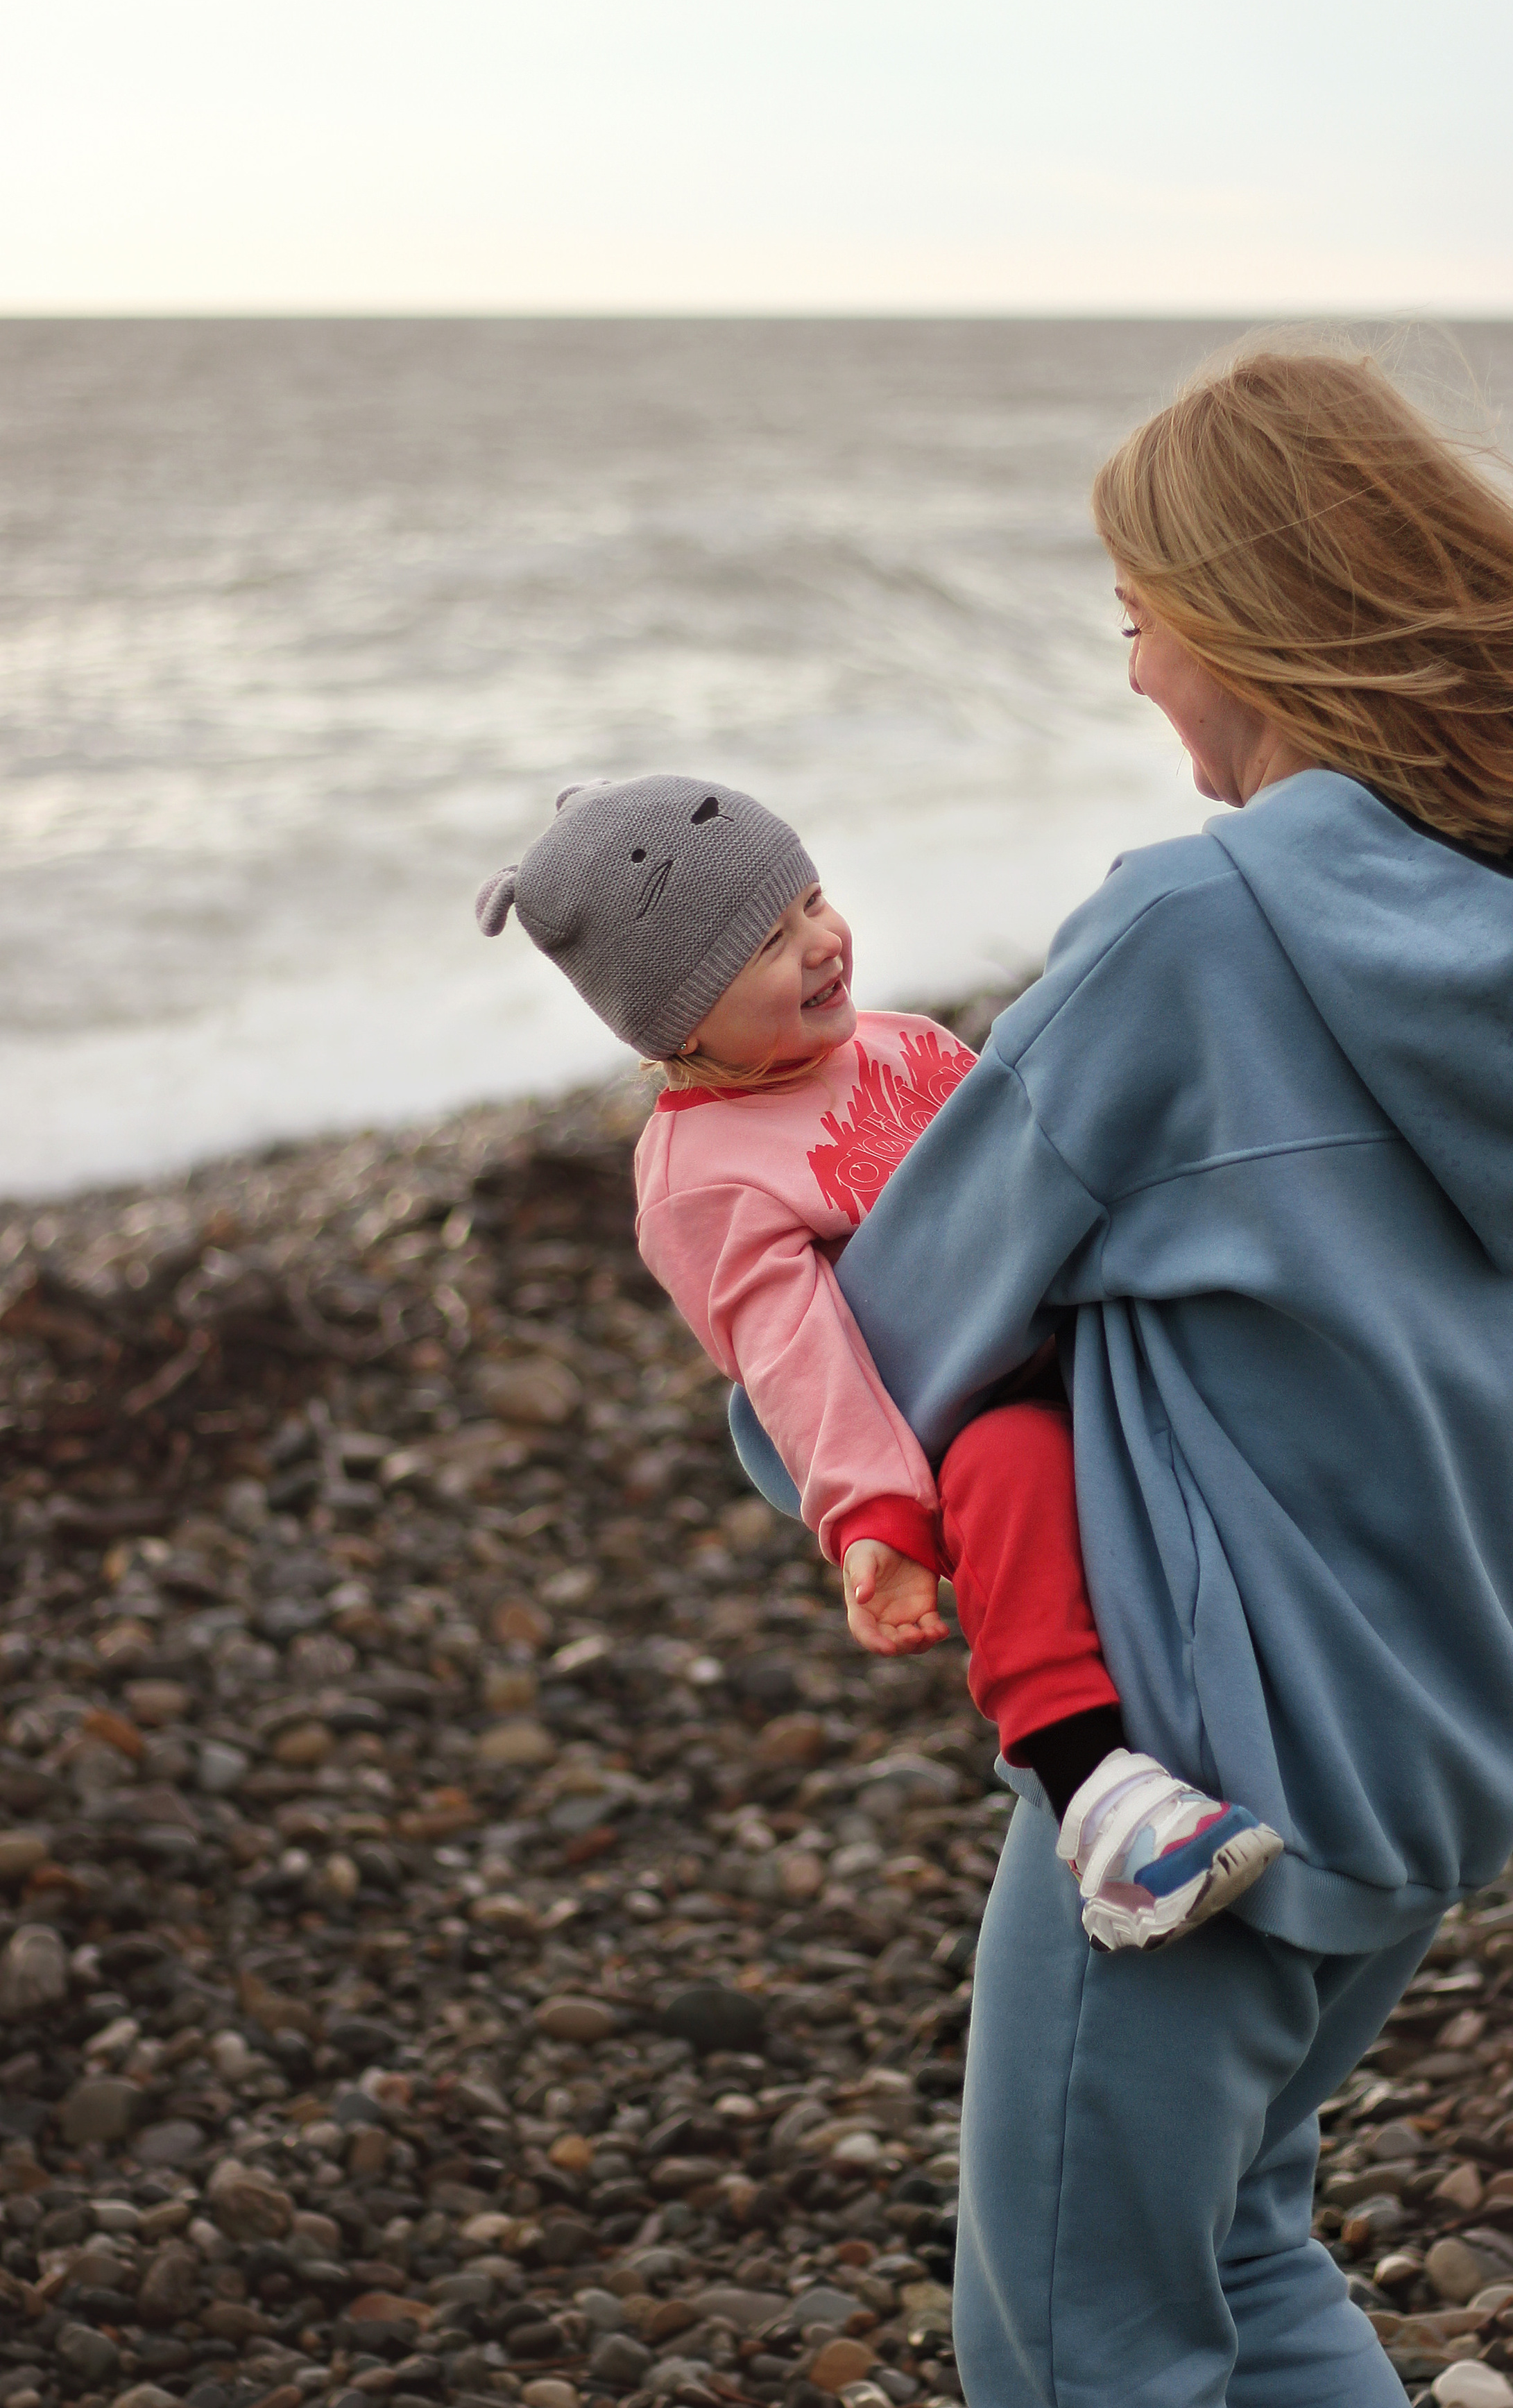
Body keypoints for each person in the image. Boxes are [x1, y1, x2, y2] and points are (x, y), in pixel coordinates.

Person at [771, 341, 1513, 2408]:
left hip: (1196, 1776)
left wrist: (743, 1267)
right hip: (1434, 1731)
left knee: (1074, 2368)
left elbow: (896, 1352)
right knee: (1237, 2254)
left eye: (1139, 614)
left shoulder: (1193, 933)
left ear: (1255, 614)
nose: (1132, 673)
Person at [475, 774, 1284, 1952]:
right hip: (969, 1406)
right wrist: (874, 1521)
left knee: (1263, 1278)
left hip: (1090, 1324)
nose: (820, 944)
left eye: (810, 901)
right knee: (1008, 1469)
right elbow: (790, 1352)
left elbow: (1033, 1157)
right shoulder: (703, 1177)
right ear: (677, 1019)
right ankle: (1098, 1793)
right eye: (766, 942)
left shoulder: (899, 1042)